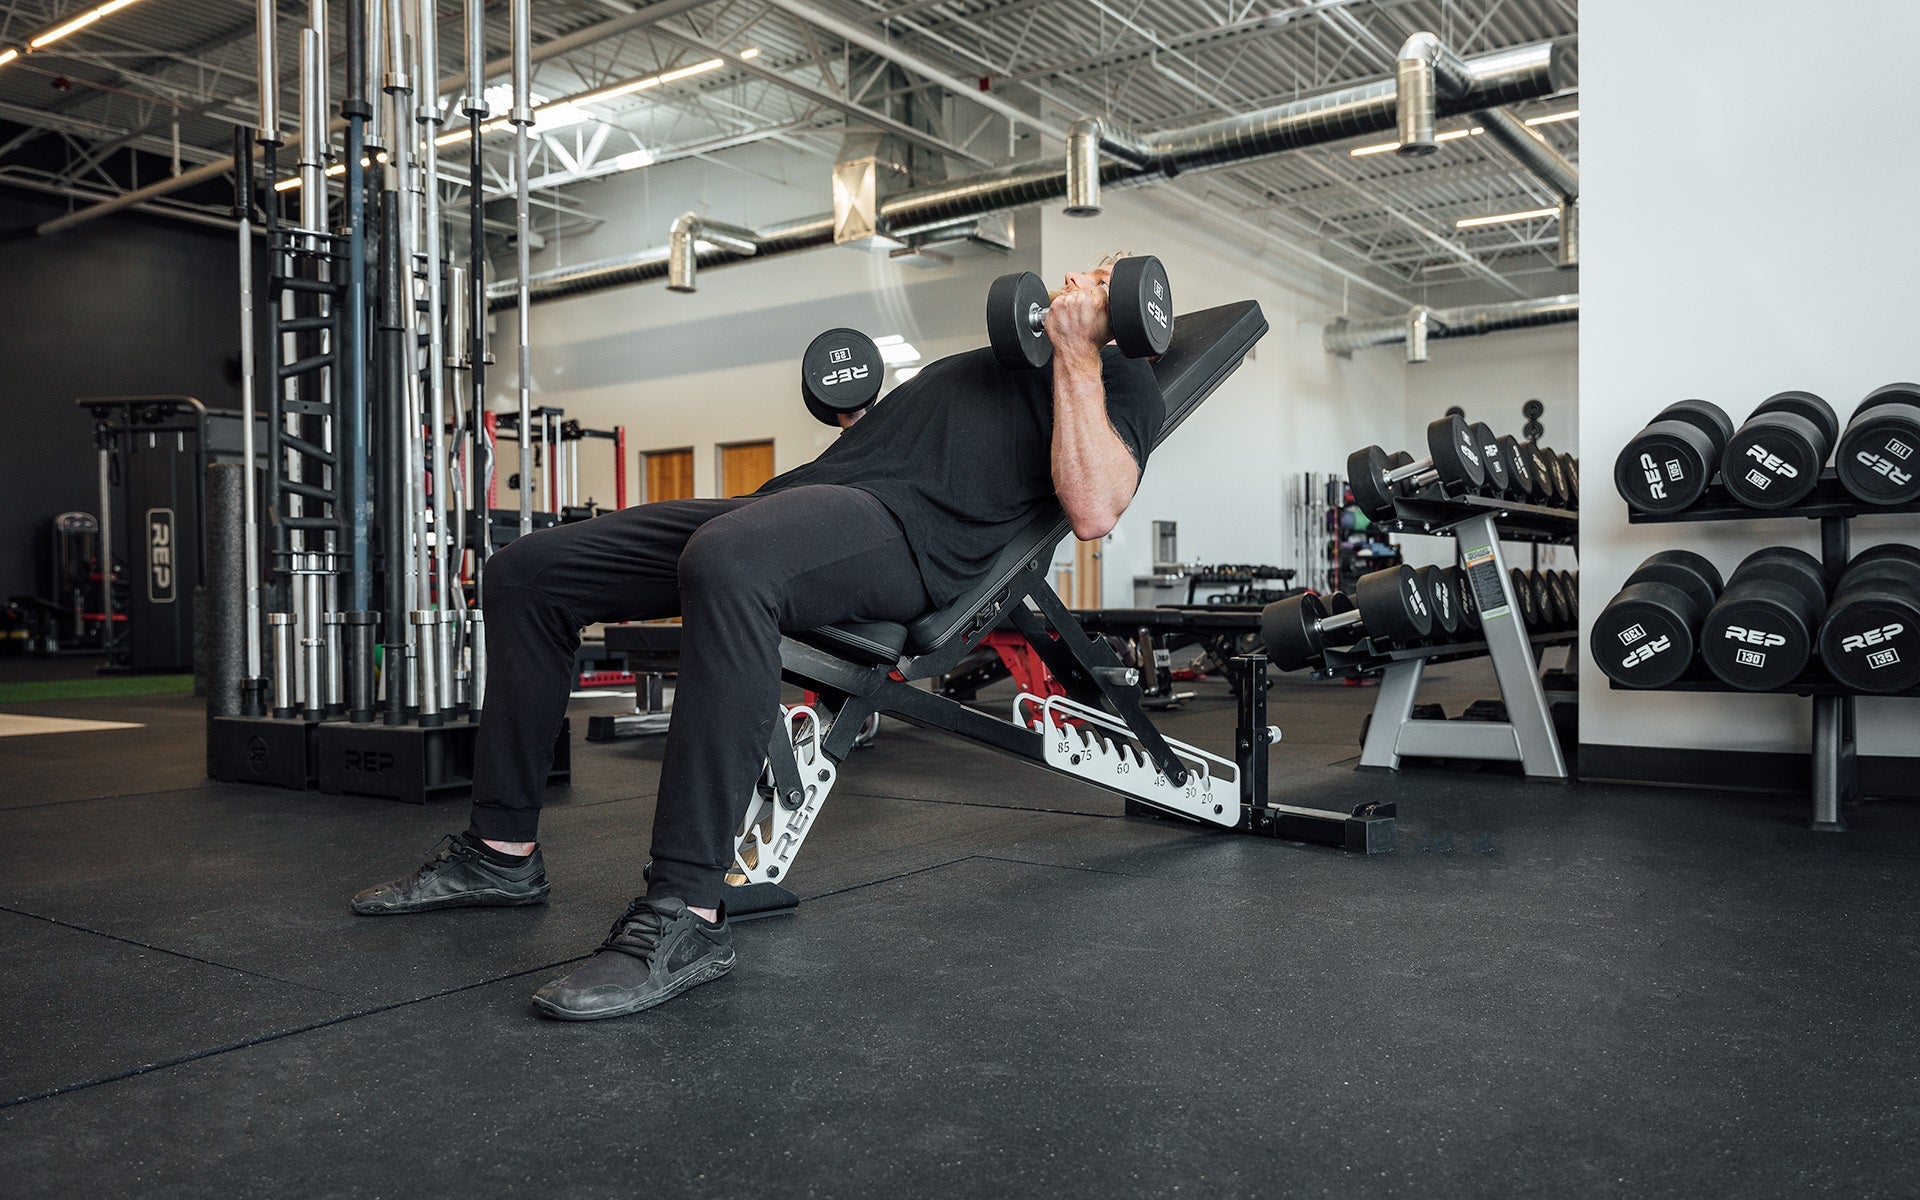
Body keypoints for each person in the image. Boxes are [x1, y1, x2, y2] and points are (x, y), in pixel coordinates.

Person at [350, 256, 1167, 1021]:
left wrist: (1078, 353)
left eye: (1100, 278)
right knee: (527, 573)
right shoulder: (1001, 354)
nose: (1075, 279)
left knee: (732, 562)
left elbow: (1094, 507)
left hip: (910, 539)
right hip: (802, 501)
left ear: (1130, 310)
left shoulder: (1118, 384)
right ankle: (501, 851)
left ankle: (687, 910)